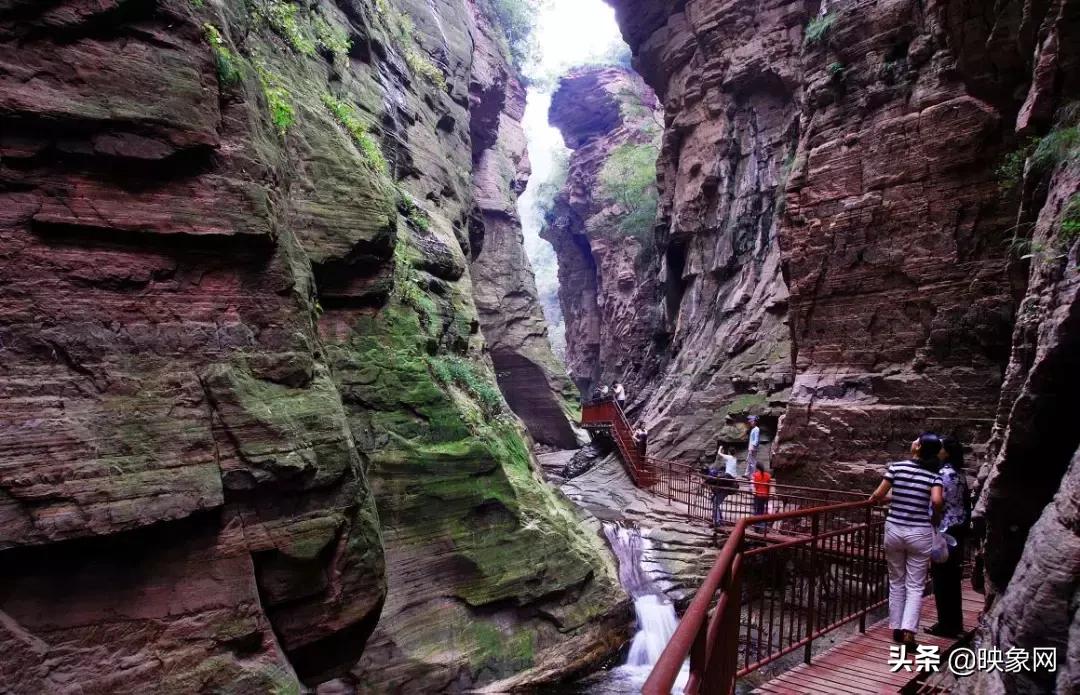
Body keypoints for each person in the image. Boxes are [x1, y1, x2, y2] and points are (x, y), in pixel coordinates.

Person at [869, 433, 945, 648]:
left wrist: (876, 499)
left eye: (916, 440)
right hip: (919, 532)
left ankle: (895, 627)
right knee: (915, 585)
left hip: (894, 529)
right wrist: (935, 515)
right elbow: (937, 500)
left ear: (918, 447)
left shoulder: (897, 467)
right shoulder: (934, 475)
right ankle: (909, 630)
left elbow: (878, 494)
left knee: (896, 581)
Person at [928, 436, 970, 638]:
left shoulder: (943, 474)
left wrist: (930, 520)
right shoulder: (960, 474)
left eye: (941, 448)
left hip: (944, 532)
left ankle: (945, 624)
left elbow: (937, 503)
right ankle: (955, 623)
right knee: (952, 578)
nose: (938, 451)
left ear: (947, 452)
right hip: (958, 529)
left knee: (942, 578)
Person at [703, 460, 737, 526]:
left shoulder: (711, 475)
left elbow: (712, 482)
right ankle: (719, 519)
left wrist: (705, 483)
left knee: (715, 503)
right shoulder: (715, 473)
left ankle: (717, 521)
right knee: (715, 502)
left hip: (723, 490)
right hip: (722, 490)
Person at [751, 462, 772, 531]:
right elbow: (769, 486)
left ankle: (758, 527)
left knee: (758, 511)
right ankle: (760, 526)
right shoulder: (768, 475)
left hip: (758, 495)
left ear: (757, 468)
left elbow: (755, 486)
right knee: (762, 510)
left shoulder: (756, 475)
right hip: (765, 495)